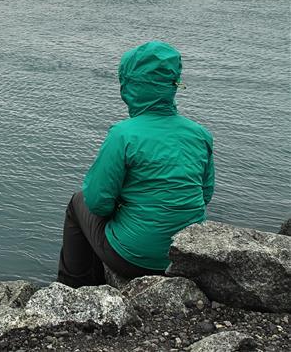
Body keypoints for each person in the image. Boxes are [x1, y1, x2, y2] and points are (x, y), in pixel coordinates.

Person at [57, 40, 215, 287]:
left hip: (135, 259)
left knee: (77, 203)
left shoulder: (123, 135)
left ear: (130, 86)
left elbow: (97, 202)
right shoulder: (200, 133)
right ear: (172, 84)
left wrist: (121, 206)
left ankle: (72, 288)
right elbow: (204, 195)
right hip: (186, 255)